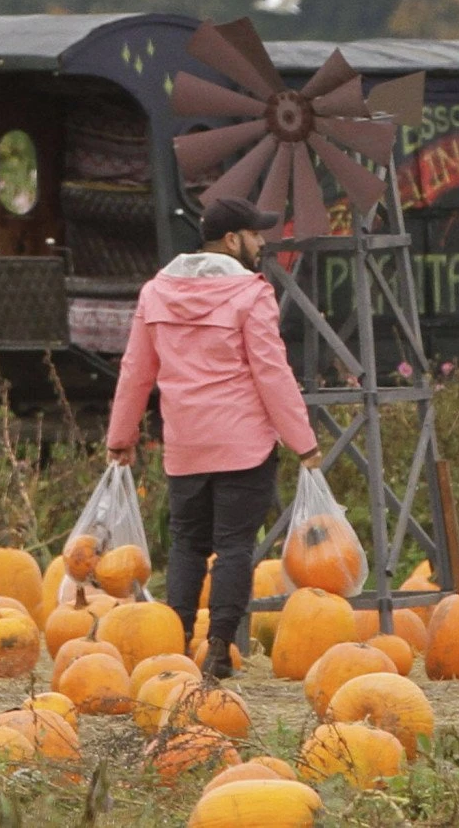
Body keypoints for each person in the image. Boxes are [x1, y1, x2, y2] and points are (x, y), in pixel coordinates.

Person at [105, 195, 320, 677]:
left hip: (186, 447)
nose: (261, 243)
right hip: (244, 447)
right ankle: (220, 648)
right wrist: (303, 442)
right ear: (231, 240)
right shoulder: (251, 294)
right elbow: (271, 372)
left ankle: (175, 643)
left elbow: (136, 371)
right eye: (255, 234)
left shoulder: (156, 292)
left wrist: (121, 436)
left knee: (187, 545)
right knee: (235, 546)